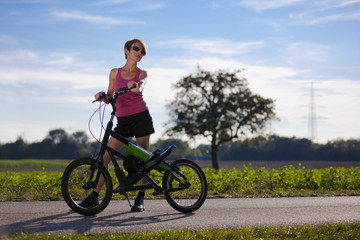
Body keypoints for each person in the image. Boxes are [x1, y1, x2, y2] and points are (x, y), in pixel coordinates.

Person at [79, 38, 154, 212]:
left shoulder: (142, 73)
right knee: (104, 157)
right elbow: (111, 95)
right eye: (136, 49)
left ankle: (140, 199)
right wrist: (102, 96)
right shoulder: (114, 73)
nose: (139, 53)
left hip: (141, 117)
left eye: (143, 52)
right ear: (127, 50)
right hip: (123, 120)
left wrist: (136, 86)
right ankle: (94, 197)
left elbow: (140, 86)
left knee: (144, 159)